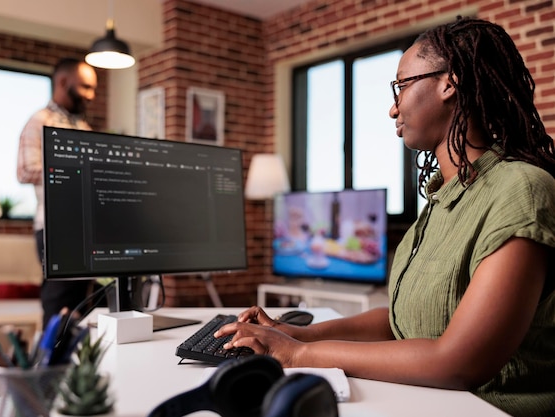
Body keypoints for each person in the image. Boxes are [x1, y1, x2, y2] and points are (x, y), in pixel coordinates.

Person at [215, 17, 555, 417]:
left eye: (402, 86)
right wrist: (294, 333)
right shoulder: (438, 204)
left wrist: (299, 354)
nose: (393, 107)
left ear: (450, 82)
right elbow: (399, 322)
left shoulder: (521, 189)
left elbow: (459, 362)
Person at [17, 57, 98, 329]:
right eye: (86, 87)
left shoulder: (83, 126)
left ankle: (79, 370)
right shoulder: (39, 121)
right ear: (63, 82)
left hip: (85, 229)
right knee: (58, 303)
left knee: (83, 304)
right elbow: (25, 170)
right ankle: (49, 369)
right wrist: (72, 170)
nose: (91, 95)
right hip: (55, 228)